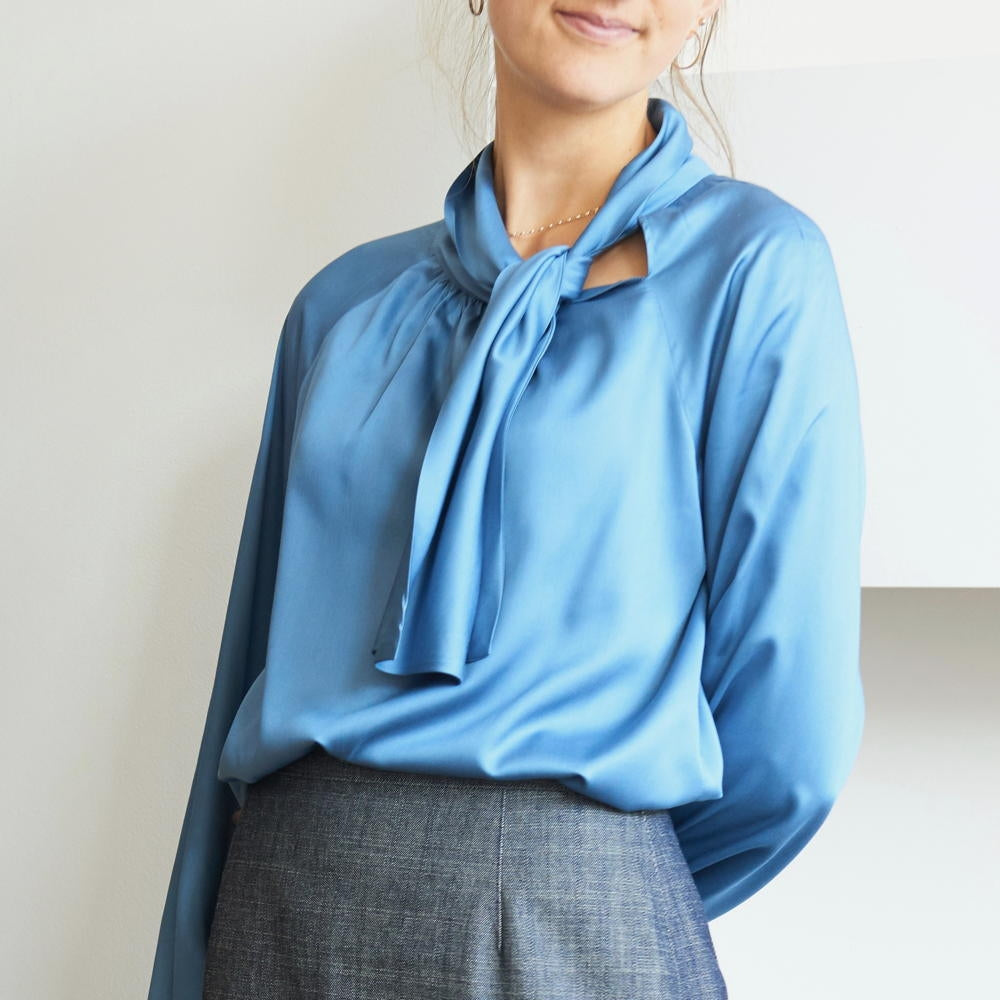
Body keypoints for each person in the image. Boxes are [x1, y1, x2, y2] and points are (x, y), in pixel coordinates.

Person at [148, 1, 866, 997]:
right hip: (287, 907)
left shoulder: (753, 271)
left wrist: (585, 876)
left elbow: (789, 747)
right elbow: (245, 683)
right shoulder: (341, 305)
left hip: (572, 918)